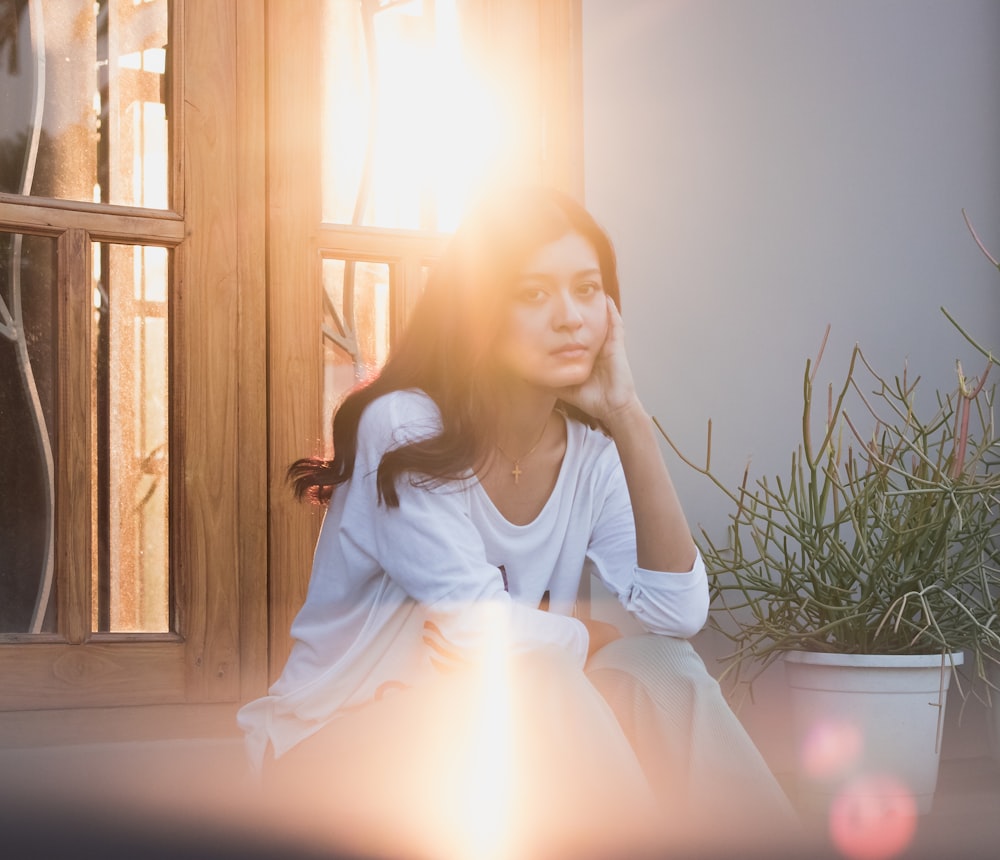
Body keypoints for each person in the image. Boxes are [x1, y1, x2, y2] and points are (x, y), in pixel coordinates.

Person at [237, 187, 798, 859]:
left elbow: (677, 612)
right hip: (327, 754)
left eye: (587, 289)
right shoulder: (407, 428)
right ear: (480, 312)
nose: (569, 317)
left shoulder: (589, 451)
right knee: (537, 676)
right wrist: (585, 632)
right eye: (533, 294)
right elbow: (480, 630)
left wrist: (628, 417)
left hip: (490, 736)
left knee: (660, 667)